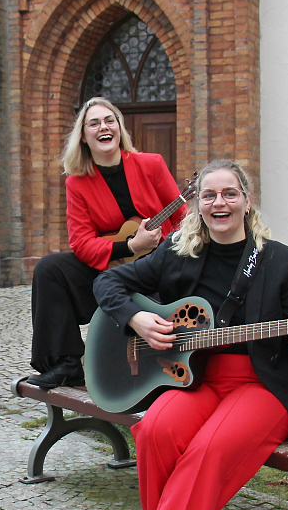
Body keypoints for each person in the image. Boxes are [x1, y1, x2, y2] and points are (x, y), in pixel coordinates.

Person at [82, 159, 288, 510]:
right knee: (154, 429)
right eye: (209, 195)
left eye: (229, 194)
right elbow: (107, 281)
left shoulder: (282, 262)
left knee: (207, 451)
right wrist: (135, 317)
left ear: (247, 201)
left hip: (261, 385)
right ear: (197, 204)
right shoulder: (180, 252)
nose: (219, 203)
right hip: (195, 378)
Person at [26, 97, 186, 389]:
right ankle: (66, 363)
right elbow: (82, 243)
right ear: (84, 137)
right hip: (108, 270)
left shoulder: (151, 165)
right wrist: (130, 247)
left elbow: (181, 219)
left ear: (119, 128)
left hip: (155, 271)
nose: (103, 127)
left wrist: (164, 247)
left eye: (109, 120)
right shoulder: (77, 182)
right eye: (94, 123)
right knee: (50, 268)